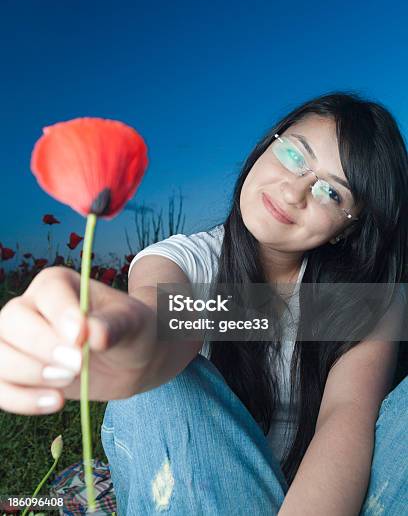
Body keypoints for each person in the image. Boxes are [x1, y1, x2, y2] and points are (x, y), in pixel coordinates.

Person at [0, 91, 406, 515]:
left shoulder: (365, 298)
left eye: (332, 193)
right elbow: (167, 322)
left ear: (347, 229)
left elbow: (345, 419)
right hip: (202, 491)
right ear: (269, 142)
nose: (293, 192)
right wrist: (116, 338)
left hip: (327, 495)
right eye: (293, 154)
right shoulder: (181, 260)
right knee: (163, 383)